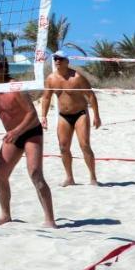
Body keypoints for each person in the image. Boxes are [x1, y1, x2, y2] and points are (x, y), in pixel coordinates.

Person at [0, 53, 55, 227]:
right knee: (0, 175)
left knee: (36, 174)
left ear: (3, 68)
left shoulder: (16, 87)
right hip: (12, 135)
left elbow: (32, 115)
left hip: (30, 132)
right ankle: (5, 215)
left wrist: (17, 131)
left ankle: (50, 220)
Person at [39, 52, 103, 186]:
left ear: (67, 61)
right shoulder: (51, 78)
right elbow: (46, 97)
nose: (57, 61)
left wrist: (96, 116)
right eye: (55, 59)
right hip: (63, 116)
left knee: (84, 145)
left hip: (80, 114)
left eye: (60, 59)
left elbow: (91, 95)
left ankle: (93, 177)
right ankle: (69, 178)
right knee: (63, 147)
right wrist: (43, 116)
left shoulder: (77, 77)